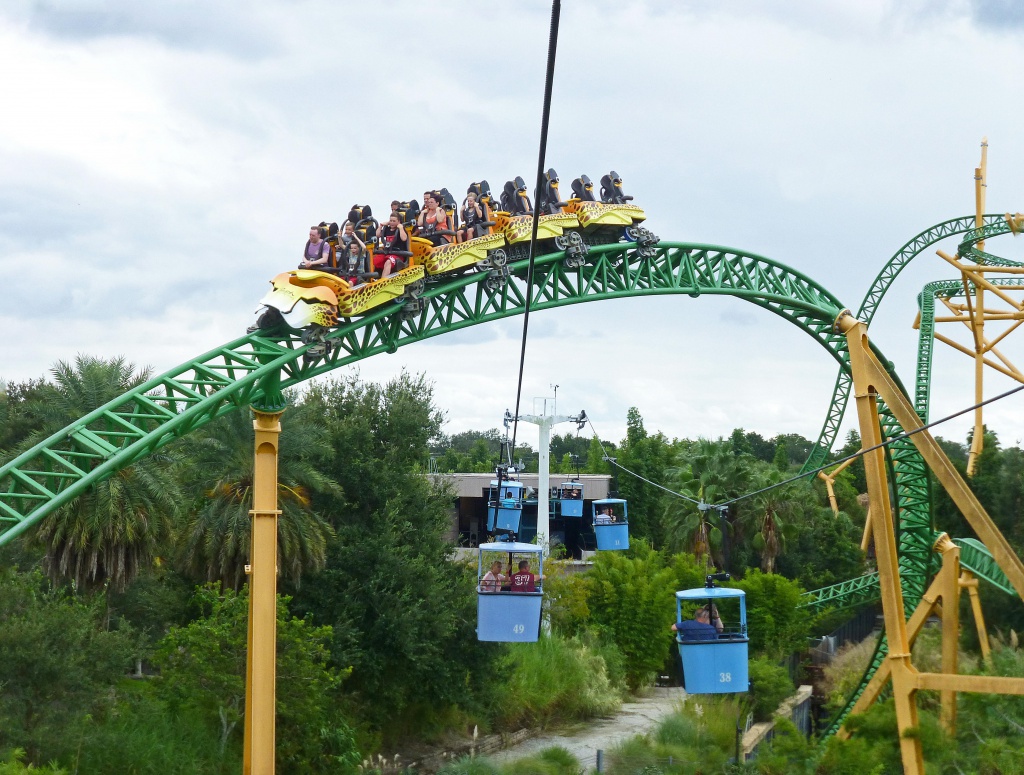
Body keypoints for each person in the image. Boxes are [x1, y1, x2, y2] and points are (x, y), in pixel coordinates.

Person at [374, 213, 409, 279]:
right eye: (391, 221)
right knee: (375, 260)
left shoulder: (400, 230)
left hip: (398, 255)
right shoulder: (387, 229)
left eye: (394, 221)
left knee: (388, 261)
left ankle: (383, 281)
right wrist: (381, 226)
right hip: (387, 253)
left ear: (398, 222)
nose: (392, 223)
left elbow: (404, 238)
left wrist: (401, 228)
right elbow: (378, 235)